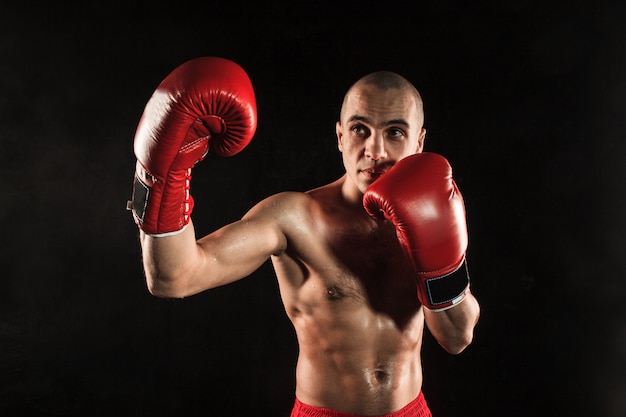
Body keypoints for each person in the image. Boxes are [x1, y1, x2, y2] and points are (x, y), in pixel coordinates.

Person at [127, 56, 480, 417]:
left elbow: (457, 338)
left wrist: (439, 263)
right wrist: (160, 179)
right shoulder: (294, 217)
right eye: (360, 129)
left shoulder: (434, 210)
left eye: (395, 132)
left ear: (419, 142)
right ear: (340, 136)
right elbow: (174, 277)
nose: (375, 151)